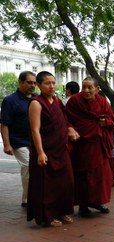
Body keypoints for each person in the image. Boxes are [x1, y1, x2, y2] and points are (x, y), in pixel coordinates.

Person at [27, 71, 75, 227]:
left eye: (53, 83)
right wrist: (40, 152)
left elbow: (64, 121)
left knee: (66, 182)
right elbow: (35, 130)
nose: (52, 86)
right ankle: (48, 216)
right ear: (39, 85)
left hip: (61, 149)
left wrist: (70, 130)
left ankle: (62, 211)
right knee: (47, 186)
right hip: (45, 150)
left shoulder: (58, 101)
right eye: (47, 83)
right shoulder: (36, 103)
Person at [65, 76, 114, 217]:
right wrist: (70, 129)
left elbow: (111, 118)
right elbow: (66, 119)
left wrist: (106, 122)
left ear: (97, 89)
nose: (86, 90)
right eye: (84, 87)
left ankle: (98, 202)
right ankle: (83, 205)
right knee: (82, 175)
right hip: (81, 145)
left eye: (89, 87)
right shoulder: (74, 101)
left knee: (100, 175)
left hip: (98, 144)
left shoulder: (102, 101)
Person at [0, 71, 36, 207]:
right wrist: (6, 145)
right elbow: (4, 124)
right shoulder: (10, 100)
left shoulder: (36, 99)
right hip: (18, 141)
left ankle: (27, 198)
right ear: (20, 82)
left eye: (34, 82)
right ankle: (28, 200)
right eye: (29, 82)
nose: (32, 85)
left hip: (35, 140)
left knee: (36, 168)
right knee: (27, 166)